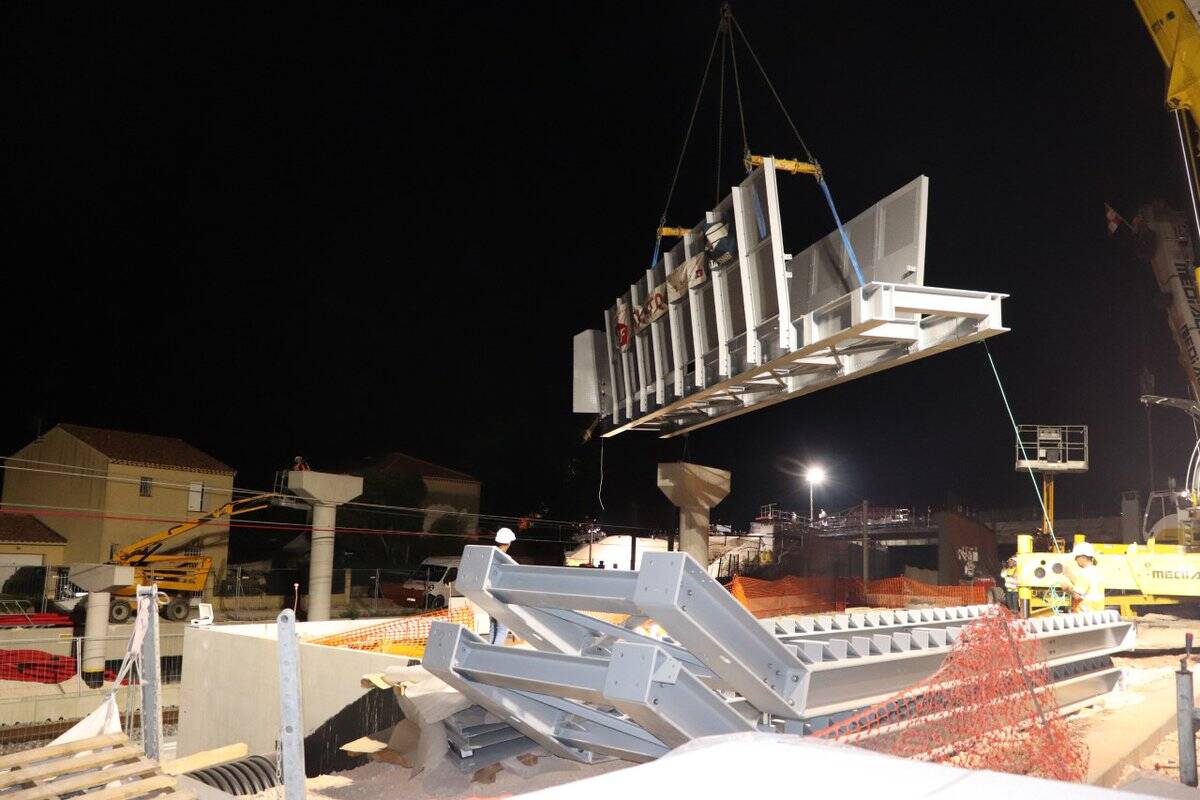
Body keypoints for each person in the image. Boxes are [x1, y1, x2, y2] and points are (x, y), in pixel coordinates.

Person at [489, 528, 516, 644]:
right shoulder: (506, 560)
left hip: (487, 597)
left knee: (493, 627)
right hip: (500, 598)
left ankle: (488, 654)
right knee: (502, 630)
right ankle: (494, 656)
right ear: (509, 542)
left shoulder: (490, 556)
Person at [1062, 541, 1105, 612]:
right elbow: (1084, 586)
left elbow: (1077, 597)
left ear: (1083, 557)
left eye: (1076, 557)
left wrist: (1067, 589)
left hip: (1085, 616)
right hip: (1097, 614)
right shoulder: (1097, 571)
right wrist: (1069, 575)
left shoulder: (1084, 573)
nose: (1075, 560)